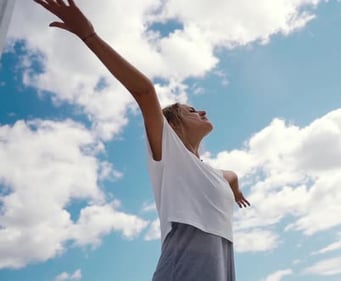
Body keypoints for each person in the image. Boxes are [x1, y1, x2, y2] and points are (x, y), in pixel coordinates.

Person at [34, 0, 250, 280]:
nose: (202, 111)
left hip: (220, 269)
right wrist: (89, 35)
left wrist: (236, 190)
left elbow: (231, 176)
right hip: (182, 269)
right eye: (191, 111)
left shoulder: (215, 174)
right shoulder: (170, 153)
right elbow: (145, 92)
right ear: (173, 125)